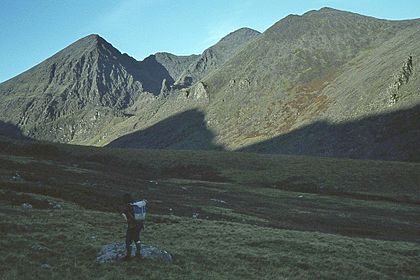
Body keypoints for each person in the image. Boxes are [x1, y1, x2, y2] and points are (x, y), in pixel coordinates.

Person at [121, 193, 145, 260]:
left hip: (132, 225)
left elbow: (123, 214)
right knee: (137, 239)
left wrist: (126, 220)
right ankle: (138, 254)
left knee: (128, 240)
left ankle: (128, 256)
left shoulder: (127, 206)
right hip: (139, 225)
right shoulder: (136, 205)